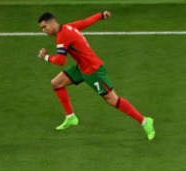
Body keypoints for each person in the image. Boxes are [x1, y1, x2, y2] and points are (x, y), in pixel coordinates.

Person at [37, 11, 155, 140]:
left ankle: (145, 121)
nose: (43, 31)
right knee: (56, 83)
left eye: (44, 27)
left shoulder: (62, 36)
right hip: (81, 67)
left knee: (112, 99)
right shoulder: (68, 27)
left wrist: (45, 57)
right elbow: (85, 22)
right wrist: (101, 15)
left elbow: (60, 61)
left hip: (93, 70)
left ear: (52, 23)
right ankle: (71, 117)